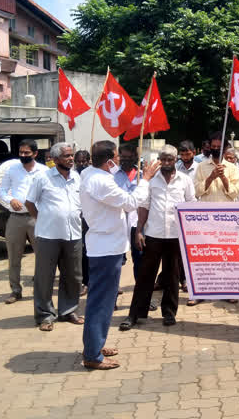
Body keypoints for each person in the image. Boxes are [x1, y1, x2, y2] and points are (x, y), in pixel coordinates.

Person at [79, 141, 158, 369]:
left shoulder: (90, 174)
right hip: (105, 247)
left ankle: (95, 344)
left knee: (102, 299)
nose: (118, 161)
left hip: (105, 244)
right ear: (110, 160)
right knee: (101, 302)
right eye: (115, 156)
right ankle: (92, 355)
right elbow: (132, 202)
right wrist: (145, 180)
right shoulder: (101, 181)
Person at [120, 145, 196, 331]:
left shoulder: (185, 181)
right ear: (159, 160)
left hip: (175, 235)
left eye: (170, 159)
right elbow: (144, 206)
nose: (167, 162)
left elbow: (191, 205)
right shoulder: (152, 181)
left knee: (172, 276)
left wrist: (190, 233)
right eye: (163, 159)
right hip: (153, 234)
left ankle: (169, 313)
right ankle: (135, 315)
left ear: (176, 159)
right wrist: (139, 231)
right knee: (146, 276)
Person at [25, 142, 84, 331]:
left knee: (73, 276)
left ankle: (68, 310)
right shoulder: (43, 177)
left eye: (71, 155)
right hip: (48, 235)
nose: (71, 159)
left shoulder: (77, 177)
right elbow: (29, 203)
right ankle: (45, 315)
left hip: (73, 234)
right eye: (66, 156)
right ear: (56, 159)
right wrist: (43, 219)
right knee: (45, 277)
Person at [190, 131, 239, 306]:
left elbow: (234, 193)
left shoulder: (233, 168)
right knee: (205, 256)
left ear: (226, 148)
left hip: (227, 218)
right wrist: (211, 177)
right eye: (213, 147)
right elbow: (196, 191)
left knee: (227, 255)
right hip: (206, 218)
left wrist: (224, 177)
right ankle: (201, 291)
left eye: (219, 147)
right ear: (209, 147)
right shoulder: (201, 167)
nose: (216, 149)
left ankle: (229, 291)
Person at [0, 139, 48, 304]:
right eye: (21, 152)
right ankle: (15, 290)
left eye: (27, 153)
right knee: (13, 257)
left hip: (37, 219)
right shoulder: (12, 170)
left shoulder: (44, 170)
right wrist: (10, 199)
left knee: (42, 256)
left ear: (35, 154)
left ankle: (41, 290)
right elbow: (2, 190)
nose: (23, 155)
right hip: (15, 218)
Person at [112, 144, 142, 280]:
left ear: (135, 157)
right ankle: (113, 293)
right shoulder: (111, 176)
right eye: (123, 157)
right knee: (116, 261)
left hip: (138, 224)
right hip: (118, 223)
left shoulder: (143, 175)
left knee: (140, 260)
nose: (125, 160)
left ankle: (140, 296)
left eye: (129, 157)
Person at [74, 150, 92, 295]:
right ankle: (83, 282)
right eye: (78, 162)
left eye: (84, 161)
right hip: (75, 219)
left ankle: (89, 281)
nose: (81, 164)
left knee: (89, 251)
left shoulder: (92, 175)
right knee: (80, 252)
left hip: (90, 219)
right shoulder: (72, 176)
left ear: (88, 161)